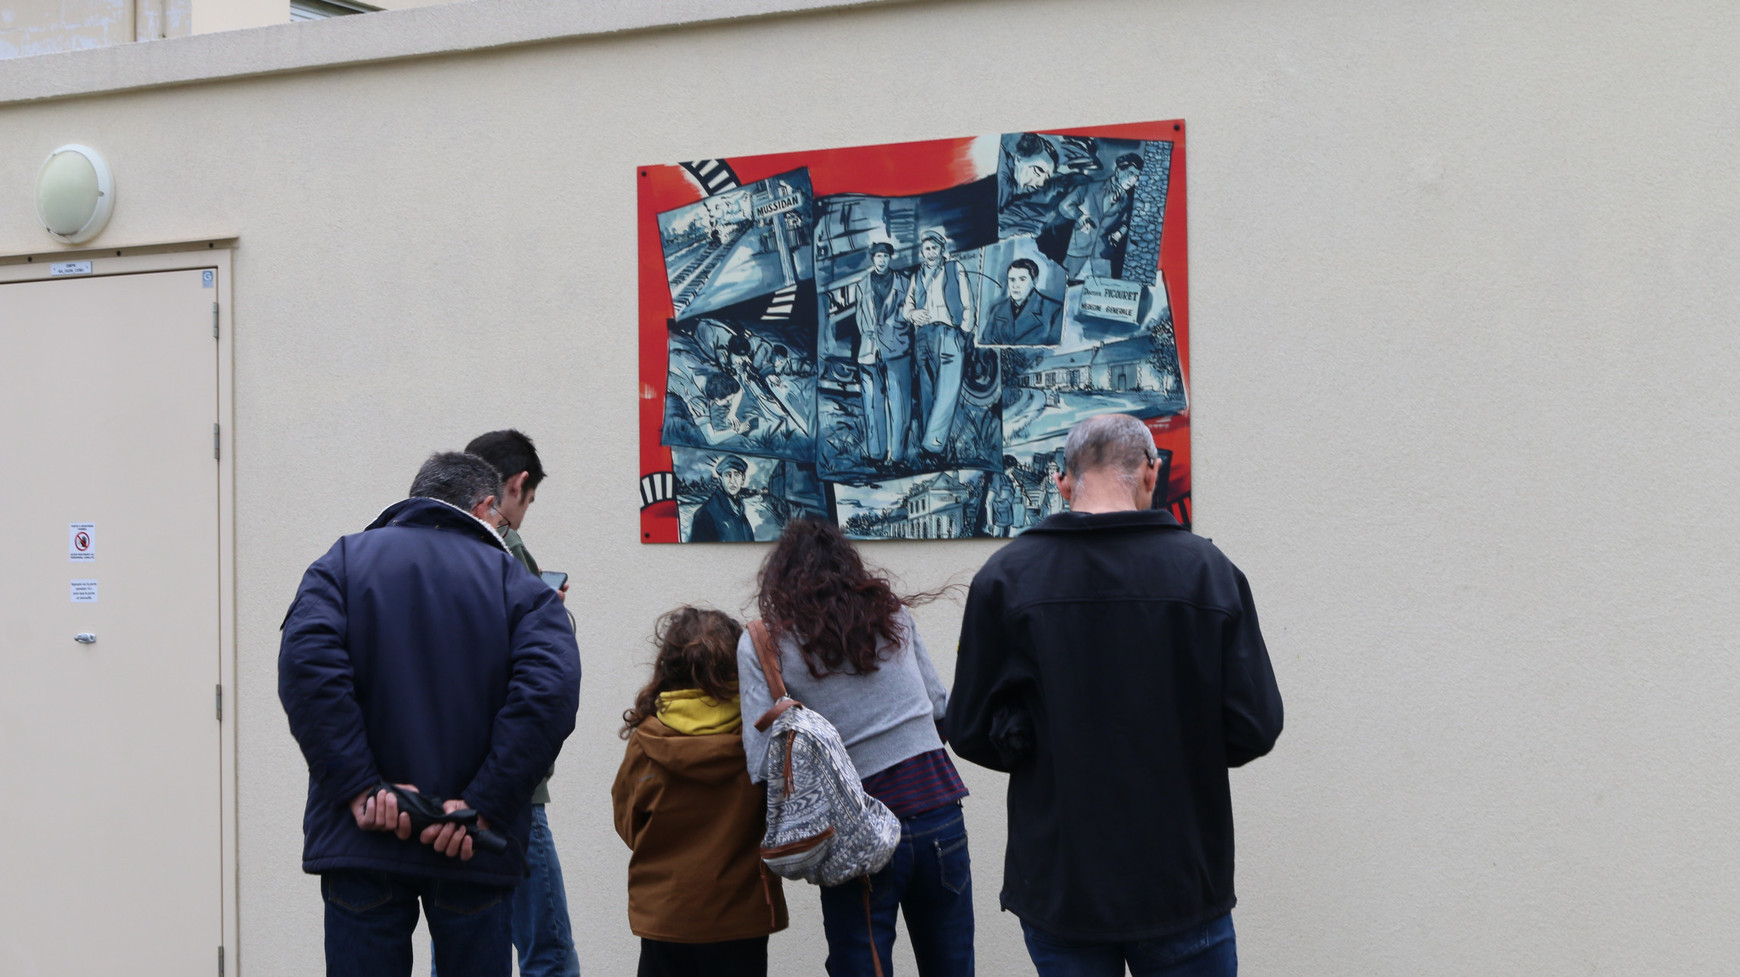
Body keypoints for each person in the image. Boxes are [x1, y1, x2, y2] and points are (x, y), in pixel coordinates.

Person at [946, 414, 1283, 977]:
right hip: (1180, 878)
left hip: (1063, 883)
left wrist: (1029, 740)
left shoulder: (1006, 579)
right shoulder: (1208, 573)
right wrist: (1184, 742)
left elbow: (970, 730)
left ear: (1062, 483)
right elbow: (1255, 725)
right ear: (1151, 474)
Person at [279, 451, 581, 977]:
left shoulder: (341, 564)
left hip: (363, 836)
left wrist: (360, 789)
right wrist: (483, 805)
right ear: (487, 507)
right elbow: (547, 696)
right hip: (470, 842)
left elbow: (308, 670)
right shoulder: (521, 589)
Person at [738, 519, 973, 977]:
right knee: (952, 966)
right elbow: (941, 709)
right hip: (939, 810)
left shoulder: (765, 642)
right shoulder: (893, 614)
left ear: (778, 579)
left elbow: (761, 762)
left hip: (859, 828)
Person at [613, 607, 789, 977]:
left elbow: (628, 824)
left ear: (668, 667)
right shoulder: (759, 735)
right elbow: (780, 816)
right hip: (740, 918)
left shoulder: (647, 740)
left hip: (665, 915)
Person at [462, 429, 580, 977]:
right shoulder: (505, 548)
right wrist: (549, 614)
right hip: (513, 786)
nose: (523, 513)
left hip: (452, 783)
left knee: (461, 943)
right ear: (516, 485)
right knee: (547, 951)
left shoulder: (440, 547)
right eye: (527, 502)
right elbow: (538, 675)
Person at [902, 228, 975, 459]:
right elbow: (907, 307)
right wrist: (913, 315)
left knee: (948, 389)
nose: (931, 253)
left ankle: (933, 445)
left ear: (943, 250)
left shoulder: (955, 269)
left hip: (949, 333)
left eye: (935, 248)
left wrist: (964, 330)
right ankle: (928, 441)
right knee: (927, 389)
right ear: (921, 252)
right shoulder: (918, 275)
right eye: (927, 249)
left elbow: (967, 302)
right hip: (924, 335)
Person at [856, 241, 914, 464]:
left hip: (897, 348)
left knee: (899, 403)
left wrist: (896, 335)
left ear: (890, 258)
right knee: (871, 403)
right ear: (872, 258)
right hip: (869, 350)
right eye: (878, 256)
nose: (881, 260)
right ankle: (876, 454)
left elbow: (909, 316)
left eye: (885, 256)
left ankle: (897, 456)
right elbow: (860, 317)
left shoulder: (904, 283)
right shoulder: (862, 284)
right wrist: (870, 338)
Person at [1059, 153, 1143, 283]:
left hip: (1103, 253)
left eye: (1137, 177)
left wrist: (1119, 234)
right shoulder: (1089, 187)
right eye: (1130, 174)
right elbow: (1065, 205)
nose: (1133, 180)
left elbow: (1127, 223)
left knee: (1102, 292)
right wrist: (1080, 216)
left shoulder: (1127, 201)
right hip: (1078, 249)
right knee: (1065, 286)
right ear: (1118, 170)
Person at [979, 258, 1063, 347]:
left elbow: (1055, 350)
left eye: (1022, 279)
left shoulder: (1054, 310)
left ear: (1035, 281)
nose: (1015, 285)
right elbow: (985, 345)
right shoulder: (998, 310)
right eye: (1012, 280)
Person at [689, 454, 755, 542]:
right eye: (728, 475)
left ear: (743, 479)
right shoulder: (705, 514)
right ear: (721, 479)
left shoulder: (740, 512)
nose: (732, 481)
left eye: (737, 475)